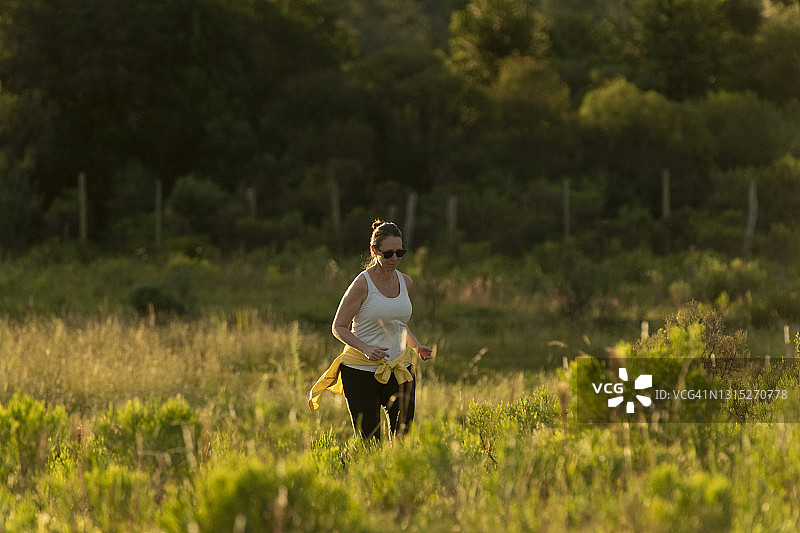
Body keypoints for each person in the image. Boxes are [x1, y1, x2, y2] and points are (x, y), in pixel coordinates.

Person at [309, 220, 432, 440]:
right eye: (388, 254)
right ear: (374, 250)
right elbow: (338, 327)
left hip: (399, 368)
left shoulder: (406, 282)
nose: (395, 259)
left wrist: (415, 345)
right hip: (360, 371)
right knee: (371, 441)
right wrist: (366, 348)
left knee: (404, 438)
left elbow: (397, 322)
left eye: (400, 252)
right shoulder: (362, 285)